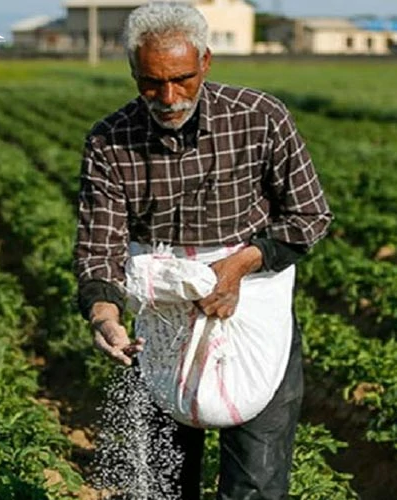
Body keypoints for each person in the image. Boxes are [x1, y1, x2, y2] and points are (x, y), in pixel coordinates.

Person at [72, 3, 333, 499]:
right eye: (151, 83)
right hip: (162, 323)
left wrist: (238, 266)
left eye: (182, 79)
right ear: (133, 71)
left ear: (205, 62)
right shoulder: (111, 141)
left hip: (251, 308)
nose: (168, 97)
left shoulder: (259, 119)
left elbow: (309, 217)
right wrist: (105, 318)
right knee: (162, 483)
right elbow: (98, 247)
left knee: (256, 480)